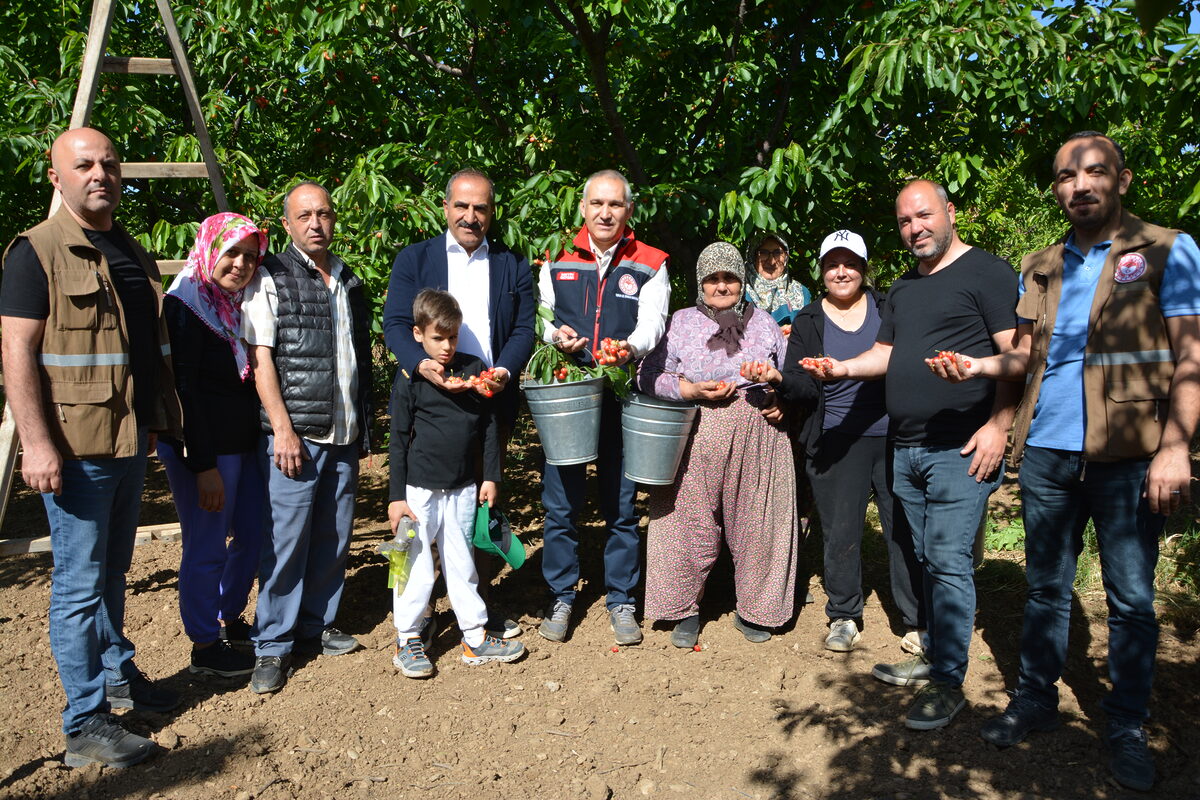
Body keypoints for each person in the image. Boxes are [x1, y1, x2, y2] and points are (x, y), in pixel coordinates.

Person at [941, 132, 1199, 792]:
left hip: (1130, 453)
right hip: (1050, 453)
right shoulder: (1042, 263)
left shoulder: (1168, 250)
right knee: (1047, 587)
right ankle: (1036, 702)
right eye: (1064, 176)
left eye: (1092, 172)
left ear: (1123, 178)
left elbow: (1190, 359)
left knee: (1132, 597)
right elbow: (1026, 357)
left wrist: (1175, 446)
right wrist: (976, 365)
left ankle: (1126, 724)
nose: (1078, 185)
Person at [801, 180, 1021, 731]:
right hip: (908, 445)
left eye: (924, 215)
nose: (915, 228)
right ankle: (933, 658)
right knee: (924, 556)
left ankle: (948, 683)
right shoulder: (902, 289)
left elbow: (1018, 356)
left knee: (947, 561)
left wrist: (1000, 424)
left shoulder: (988, 272)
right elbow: (884, 353)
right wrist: (842, 368)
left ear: (951, 212)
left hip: (960, 446)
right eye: (904, 221)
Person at [0, 127, 183, 767]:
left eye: (108, 162)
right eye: (84, 165)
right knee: (78, 586)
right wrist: (36, 443)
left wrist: (156, 419)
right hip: (76, 449)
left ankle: (115, 677)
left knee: (110, 573)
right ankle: (84, 723)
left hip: (128, 440)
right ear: (58, 178)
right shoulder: (36, 252)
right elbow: (17, 354)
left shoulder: (125, 249)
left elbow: (137, 352)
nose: (100, 173)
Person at [382, 168, 536, 638]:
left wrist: (503, 373)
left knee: (475, 512)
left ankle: (476, 611)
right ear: (446, 207)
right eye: (462, 206)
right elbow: (393, 323)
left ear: (492, 212)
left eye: (481, 208)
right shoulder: (415, 259)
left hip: (485, 404)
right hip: (427, 405)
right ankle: (417, 619)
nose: (471, 216)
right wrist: (418, 364)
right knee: (420, 521)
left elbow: (523, 329)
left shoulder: (512, 264)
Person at [241, 181, 373, 693]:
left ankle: (316, 625)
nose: (315, 223)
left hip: (342, 430)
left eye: (323, 213)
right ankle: (272, 644)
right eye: (304, 215)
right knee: (285, 541)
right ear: (289, 224)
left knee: (334, 536)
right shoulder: (270, 275)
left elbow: (356, 358)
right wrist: (281, 428)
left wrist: (363, 424)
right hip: (296, 434)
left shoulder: (348, 278)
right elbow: (261, 357)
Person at [636, 242, 795, 647]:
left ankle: (757, 609)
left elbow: (792, 375)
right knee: (684, 522)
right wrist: (687, 388)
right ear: (700, 283)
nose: (722, 286)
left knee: (761, 523)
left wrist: (781, 398)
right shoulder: (680, 323)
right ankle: (683, 609)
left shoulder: (765, 324)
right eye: (713, 278)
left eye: (730, 278)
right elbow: (646, 375)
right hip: (696, 432)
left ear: (742, 282)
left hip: (759, 432)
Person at [536, 169, 670, 645]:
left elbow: (654, 324)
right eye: (597, 204)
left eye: (615, 205)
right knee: (562, 503)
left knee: (621, 503)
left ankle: (621, 598)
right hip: (570, 391)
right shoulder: (555, 258)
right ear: (583, 209)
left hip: (622, 392)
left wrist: (627, 349)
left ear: (628, 211)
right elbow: (543, 316)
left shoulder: (651, 262)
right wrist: (558, 337)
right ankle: (561, 595)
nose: (605, 213)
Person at [777, 230, 925, 654]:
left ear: (863, 268)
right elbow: (800, 386)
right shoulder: (808, 320)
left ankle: (915, 620)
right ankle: (844, 614)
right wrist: (784, 381)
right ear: (821, 270)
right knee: (841, 531)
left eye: (850, 263)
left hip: (895, 434)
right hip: (836, 439)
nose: (841, 272)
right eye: (832, 264)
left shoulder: (887, 307)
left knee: (904, 529)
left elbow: (908, 356)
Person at [387, 289, 526, 677]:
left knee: (463, 560)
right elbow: (397, 438)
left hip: (464, 486)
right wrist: (397, 497)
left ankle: (475, 636)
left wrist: (491, 476)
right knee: (413, 562)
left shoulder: (473, 369)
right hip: (419, 490)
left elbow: (488, 428)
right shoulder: (411, 376)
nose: (447, 347)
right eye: (438, 338)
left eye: (453, 336)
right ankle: (409, 638)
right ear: (418, 335)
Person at [157, 213, 268, 679]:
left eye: (250, 256)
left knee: (255, 534)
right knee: (206, 546)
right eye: (232, 253)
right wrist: (201, 465)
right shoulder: (185, 305)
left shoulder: (235, 305)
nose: (240, 264)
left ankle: (227, 616)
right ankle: (204, 643)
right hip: (203, 448)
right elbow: (185, 390)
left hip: (239, 444)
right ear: (209, 250)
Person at [744, 231, 810, 326]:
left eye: (777, 253)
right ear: (752, 256)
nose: (772, 261)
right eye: (763, 253)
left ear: (786, 257)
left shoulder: (802, 292)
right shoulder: (740, 292)